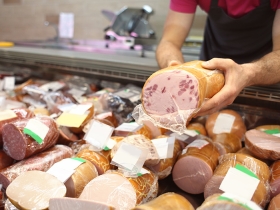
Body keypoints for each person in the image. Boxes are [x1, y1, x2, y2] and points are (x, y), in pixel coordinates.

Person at [156, 0, 280, 116]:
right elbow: (169, 42)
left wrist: (248, 73)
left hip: (265, 77)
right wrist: (174, 68)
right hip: (210, 76)